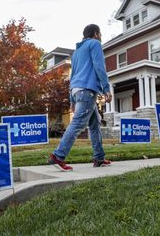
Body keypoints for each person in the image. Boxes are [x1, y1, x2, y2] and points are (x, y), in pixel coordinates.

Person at [48, 24, 112, 171]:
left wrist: (71, 99)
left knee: (94, 125)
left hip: (77, 90)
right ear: (96, 34)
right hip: (87, 90)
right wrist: (106, 88)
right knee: (77, 123)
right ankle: (58, 155)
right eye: (100, 33)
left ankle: (99, 158)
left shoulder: (76, 52)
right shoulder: (95, 44)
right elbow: (99, 66)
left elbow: (73, 75)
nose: (101, 36)